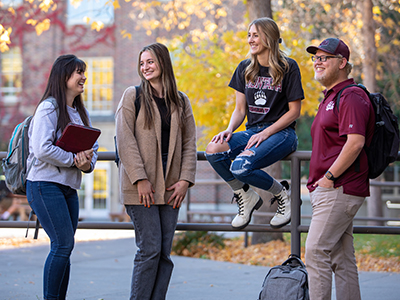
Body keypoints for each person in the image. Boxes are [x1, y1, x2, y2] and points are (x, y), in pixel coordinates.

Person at [205, 17, 304, 229]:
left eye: (255, 35)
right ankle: (245, 195)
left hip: (282, 134)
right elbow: (240, 109)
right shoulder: (244, 68)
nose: (250, 39)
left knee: (240, 167)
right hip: (252, 132)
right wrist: (229, 130)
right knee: (213, 149)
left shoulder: (289, 67)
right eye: (249, 35)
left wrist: (266, 133)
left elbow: (295, 111)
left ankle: (282, 195)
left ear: (269, 37)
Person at [115, 42, 197, 300]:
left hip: (171, 186)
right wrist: (140, 179)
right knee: (149, 249)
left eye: (150, 62)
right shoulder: (133, 95)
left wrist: (185, 180)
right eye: (142, 63)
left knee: (163, 253)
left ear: (163, 62)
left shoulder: (180, 101)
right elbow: (124, 138)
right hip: (142, 186)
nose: (145, 67)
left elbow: (189, 143)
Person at [305, 38, 375, 300]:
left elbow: (355, 142)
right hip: (331, 189)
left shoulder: (352, 96)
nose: (317, 62)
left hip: (339, 187)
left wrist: (328, 178)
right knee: (341, 259)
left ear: (342, 63)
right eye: (316, 58)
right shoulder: (331, 97)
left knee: (315, 252)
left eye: (325, 58)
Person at [25, 54, 99, 300]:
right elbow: (41, 148)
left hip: (68, 189)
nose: (83, 77)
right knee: (63, 245)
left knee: (64, 248)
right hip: (44, 185)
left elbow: (92, 150)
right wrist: (72, 160)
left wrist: (86, 164)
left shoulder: (79, 112)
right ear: (63, 76)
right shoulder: (49, 107)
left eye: (83, 72)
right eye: (78, 72)